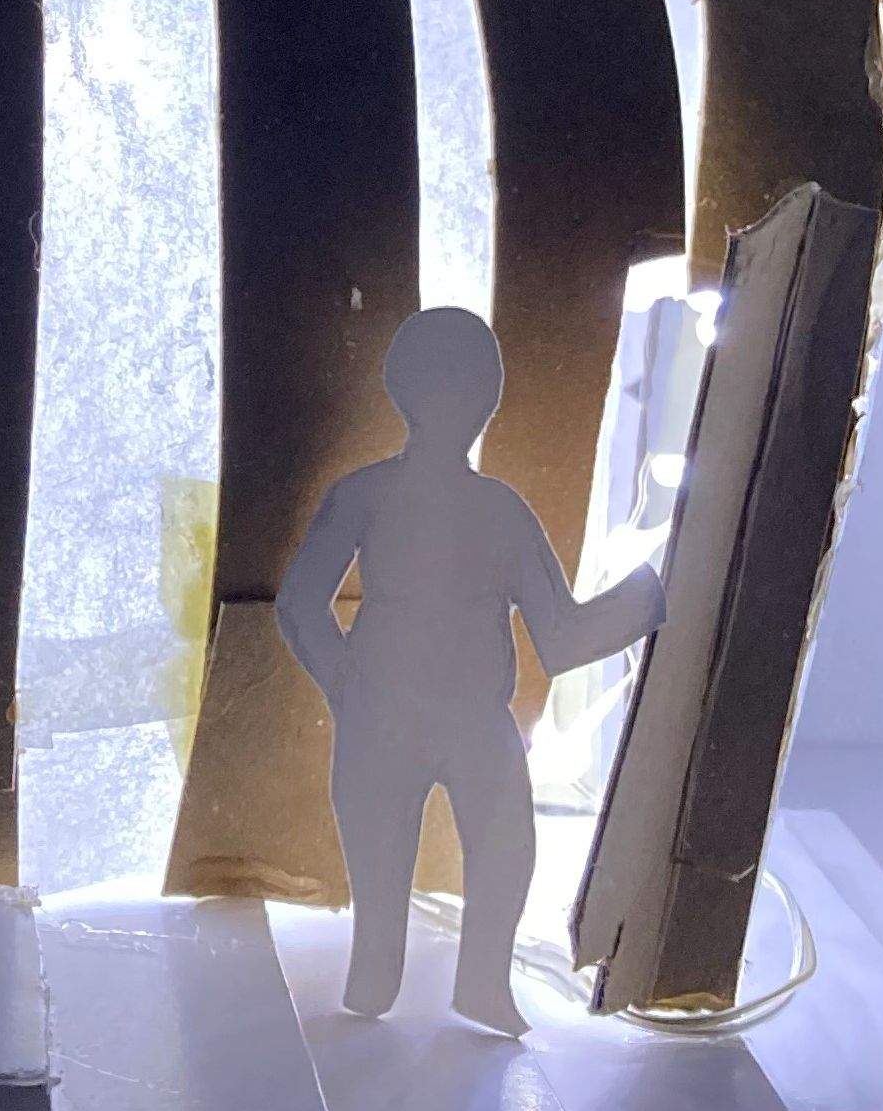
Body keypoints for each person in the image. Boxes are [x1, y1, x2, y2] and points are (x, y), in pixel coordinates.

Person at [275, 307, 664, 1033]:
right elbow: (299, 605)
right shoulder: (421, 501)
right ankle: (384, 981)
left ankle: (474, 985)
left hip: (456, 722)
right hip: (398, 716)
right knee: (399, 874)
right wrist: (348, 688)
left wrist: (644, 599)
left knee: (504, 849)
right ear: (488, 397)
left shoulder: (476, 507)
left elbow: (560, 637)